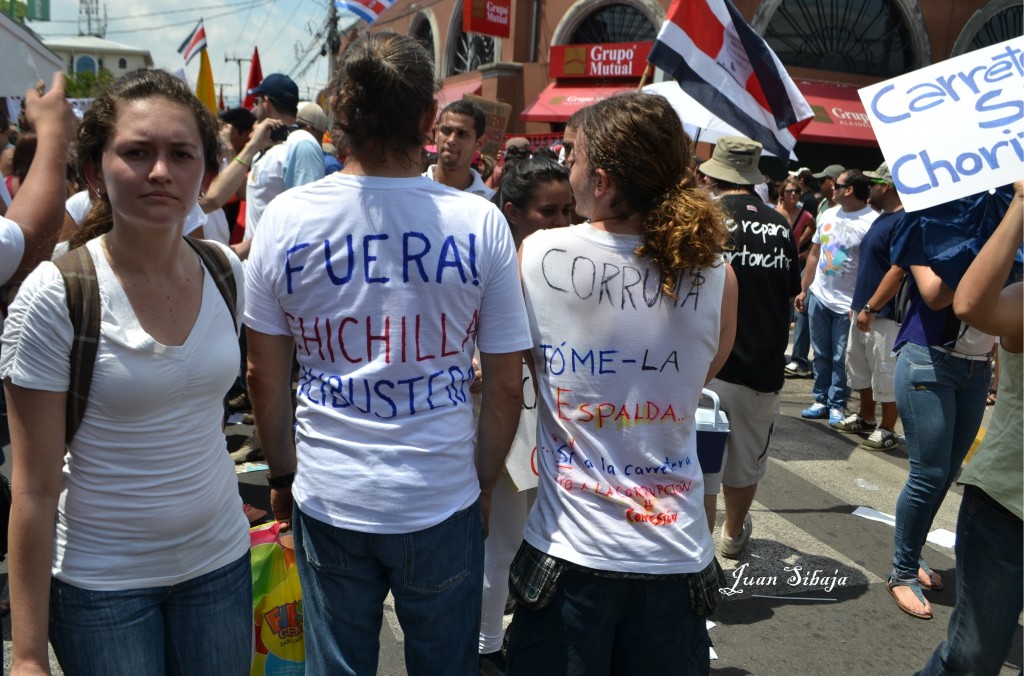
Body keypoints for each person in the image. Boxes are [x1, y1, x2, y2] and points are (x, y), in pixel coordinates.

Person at [244, 32, 531, 675]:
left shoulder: (285, 220)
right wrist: (480, 487)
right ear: (430, 118)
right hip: (440, 494)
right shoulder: (478, 222)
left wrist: (283, 477)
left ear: (340, 111)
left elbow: (264, 372)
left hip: (329, 492)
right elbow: (507, 386)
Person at [2, 68, 251, 675]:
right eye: (137, 153)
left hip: (220, 565)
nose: (160, 172)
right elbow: (32, 488)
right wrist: (30, 655)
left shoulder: (225, 272)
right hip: (102, 585)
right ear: (94, 172)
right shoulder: (55, 295)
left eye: (180, 154)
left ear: (203, 170)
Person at [505, 91, 737, 674]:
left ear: (602, 181)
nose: (568, 169)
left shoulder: (538, 255)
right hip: (677, 551)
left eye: (574, 157)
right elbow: (699, 374)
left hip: (570, 549)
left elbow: (515, 372)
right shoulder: (717, 274)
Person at [916, 181, 1022, 674]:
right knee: (972, 659)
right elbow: (971, 305)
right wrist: (1020, 202)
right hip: (1010, 507)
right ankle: (903, 565)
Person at [479, 156, 572, 675]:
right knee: (505, 541)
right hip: (509, 416)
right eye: (549, 212)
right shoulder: (497, 263)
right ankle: (486, 646)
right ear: (513, 211)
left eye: (568, 211)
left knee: (535, 537)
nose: (562, 223)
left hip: (557, 421)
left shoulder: (568, 263)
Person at [886, 199, 998, 621]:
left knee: (945, 474)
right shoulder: (926, 221)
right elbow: (934, 295)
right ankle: (901, 572)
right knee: (928, 473)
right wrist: (982, 246)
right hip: (928, 360)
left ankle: (912, 555)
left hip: (976, 367)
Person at [698, 136, 800, 558]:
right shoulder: (781, 225)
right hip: (762, 365)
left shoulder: (706, 218)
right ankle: (732, 534)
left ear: (715, 175)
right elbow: (789, 295)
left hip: (709, 363)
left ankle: (699, 546)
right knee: (745, 464)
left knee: (703, 463)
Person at [795, 169, 877, 426]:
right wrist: (804, 288)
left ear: (850, 189)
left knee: (842, 357)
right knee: (820, 353)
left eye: (837, 185)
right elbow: (814, 254)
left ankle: (837, 403)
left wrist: (862, 303)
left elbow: (871, 267)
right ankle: (820, 399)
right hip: (820, 296)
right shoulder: (828, 214)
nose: (831, 189)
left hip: (848, 304)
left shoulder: (872, 220)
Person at [833, 162, 904, 449]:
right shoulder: (882, 217)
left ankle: (887, 427)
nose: (868, 187)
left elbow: (897, 271)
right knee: (859, 365)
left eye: (873, 182)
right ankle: (866, 417)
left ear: (885, 186)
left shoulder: (902, 220)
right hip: (863, 308)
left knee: (885, 371)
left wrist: (873, 307)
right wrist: (858, 305)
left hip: (884, 314)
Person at [777, 176, 816, 377]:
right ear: (782, 194)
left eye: (797, 192)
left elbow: (814, 226)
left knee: (796, 306)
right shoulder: (776, 213)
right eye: (789, 191)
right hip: (776, 264)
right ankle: (777, 351)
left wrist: (800, 243)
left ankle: (796, 357)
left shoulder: (804, 214)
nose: (793, 195)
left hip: (795, 264)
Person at [424, 99, 495, 199]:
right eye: (446, 131)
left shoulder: (491, 202)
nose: (451, 140)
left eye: (462, 134)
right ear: (435, 133)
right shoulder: (409, 188)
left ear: (480, 143)